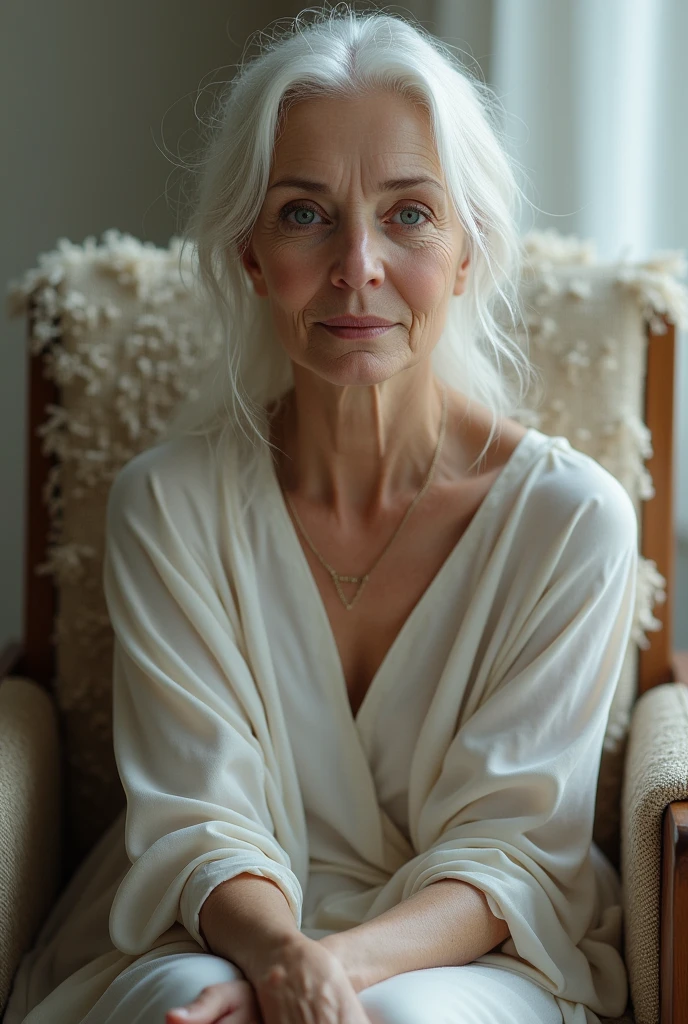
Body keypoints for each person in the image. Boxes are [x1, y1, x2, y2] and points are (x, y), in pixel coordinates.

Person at [5, 6, 638, 1024]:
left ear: (469, 249)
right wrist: (281, 960)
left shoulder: (572, 525)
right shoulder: (165, 507)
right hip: (209, 928)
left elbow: (508, 852)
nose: (357, 267)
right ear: (251, 254)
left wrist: (331, 973)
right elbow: (198, 824)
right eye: (305, 213)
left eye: (409, 214)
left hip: (475, 949)